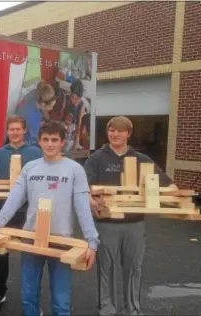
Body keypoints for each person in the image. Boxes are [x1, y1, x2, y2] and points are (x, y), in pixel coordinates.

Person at [0, 120, 100, 316]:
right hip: (32, 239)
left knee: (60, 302)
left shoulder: (74, 170)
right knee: (28, 296)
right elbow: (14, 199)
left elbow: (83, 207)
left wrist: (92, 241)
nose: (50, 144)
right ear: (39, 142)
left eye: (54, 140)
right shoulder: (30, 168)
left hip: (61, 240)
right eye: (46, 140)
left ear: (62, 143)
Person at [83, 116, 178, 316]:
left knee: (133, 268)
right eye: (111, 130)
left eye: (120, 131)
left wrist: (172, 190)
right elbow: (84, 186)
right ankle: (107, 308)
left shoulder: (141, 159)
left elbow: (165, 182)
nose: (115, 134)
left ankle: (132, 309)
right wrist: (90, 200)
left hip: (134, 223)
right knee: (106, 267)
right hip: (106, 223)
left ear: (128, 134)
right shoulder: (97, 159)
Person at [0, 115, 43, 312]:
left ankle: (32, 300)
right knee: (0, 253)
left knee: (32, 256)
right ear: (7, 132)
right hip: (4, 211)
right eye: (11, 129)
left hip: (30, 213)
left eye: (18, 129)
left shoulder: (35, 152)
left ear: (24, 130)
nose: (15, 133)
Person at [16, 80, 57, 146]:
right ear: (43, 104)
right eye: (51, 106)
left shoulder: (37, 93)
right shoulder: (32, 117)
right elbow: (38, 139)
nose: (51, 108)